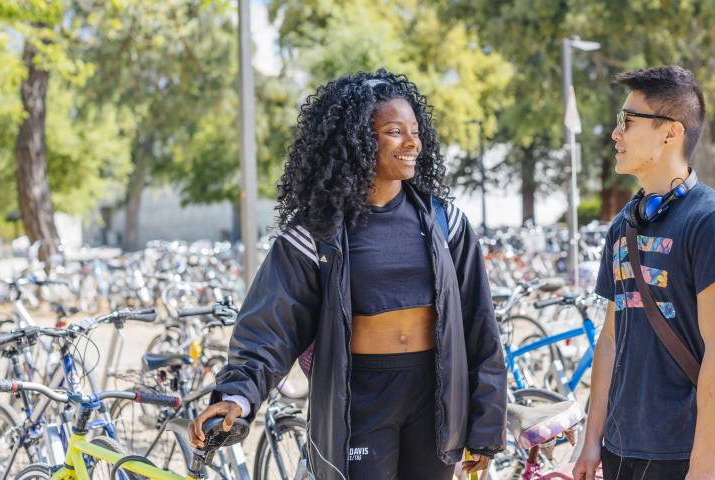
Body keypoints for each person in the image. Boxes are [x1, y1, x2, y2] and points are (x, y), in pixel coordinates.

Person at [189, 69, 507, 479]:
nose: (412, 143)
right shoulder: (314, 235)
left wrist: (485, 426)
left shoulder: (447, 224)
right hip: (359, 399)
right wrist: (238, 396)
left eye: (414, 131)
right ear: (358, 140)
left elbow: (480, 327)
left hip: (435, 399)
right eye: (395, 131)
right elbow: (269, 330)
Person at [573, 66, 715, 480]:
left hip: (681, 454)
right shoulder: (623, 225)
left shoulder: (713, 222)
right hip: (619, 447)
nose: (616, 133)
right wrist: (592, 441)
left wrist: (702, 465)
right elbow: (611, 339)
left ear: (670, 132)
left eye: (628, 122)